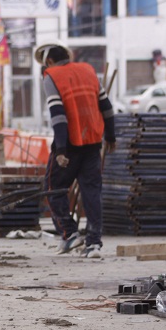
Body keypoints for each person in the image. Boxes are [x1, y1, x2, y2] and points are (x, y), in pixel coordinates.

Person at [35, 41, 116, 258]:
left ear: (49, 61)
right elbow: (106, 107)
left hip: (69, 145)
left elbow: (58, 115)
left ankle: (69, 233)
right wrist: (111, 136)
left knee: (53, 187)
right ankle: (94, 244)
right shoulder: (88, 70)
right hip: (93, 141)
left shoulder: (51, 76)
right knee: (91, 192)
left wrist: (60, 150)